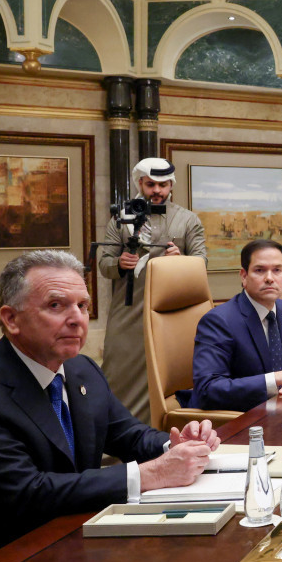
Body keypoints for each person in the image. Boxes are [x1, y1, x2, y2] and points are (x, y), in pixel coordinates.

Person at [0, 250, 218, 562]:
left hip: (62, 540)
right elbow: (27, 493)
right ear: (11, 318)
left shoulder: (81, 369)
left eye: (83, 306)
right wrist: (151, 473)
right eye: (56, 305)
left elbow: (127, 434)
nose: (77, 318)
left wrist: (174, 443)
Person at [98, 157, 206, 420]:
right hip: (129, 309)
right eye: (150, 184)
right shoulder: (120, 219)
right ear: (140, 184)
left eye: (163, 184)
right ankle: (119, 438)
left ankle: (168, 432)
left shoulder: (188, 220)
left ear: (171, 186)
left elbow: (201, 262)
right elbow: (103, 263)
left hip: (174, 312)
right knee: (119, 371)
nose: (157, 190)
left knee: (173, 372)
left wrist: (182, 259)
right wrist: (120, 263)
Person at [191, 240, 282, 411]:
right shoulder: (219, 321)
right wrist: (277, 379)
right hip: (242, 418)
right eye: (260, 270)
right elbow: (208, 389)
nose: (269, 278)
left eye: (277, 270)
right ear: (244, 276)